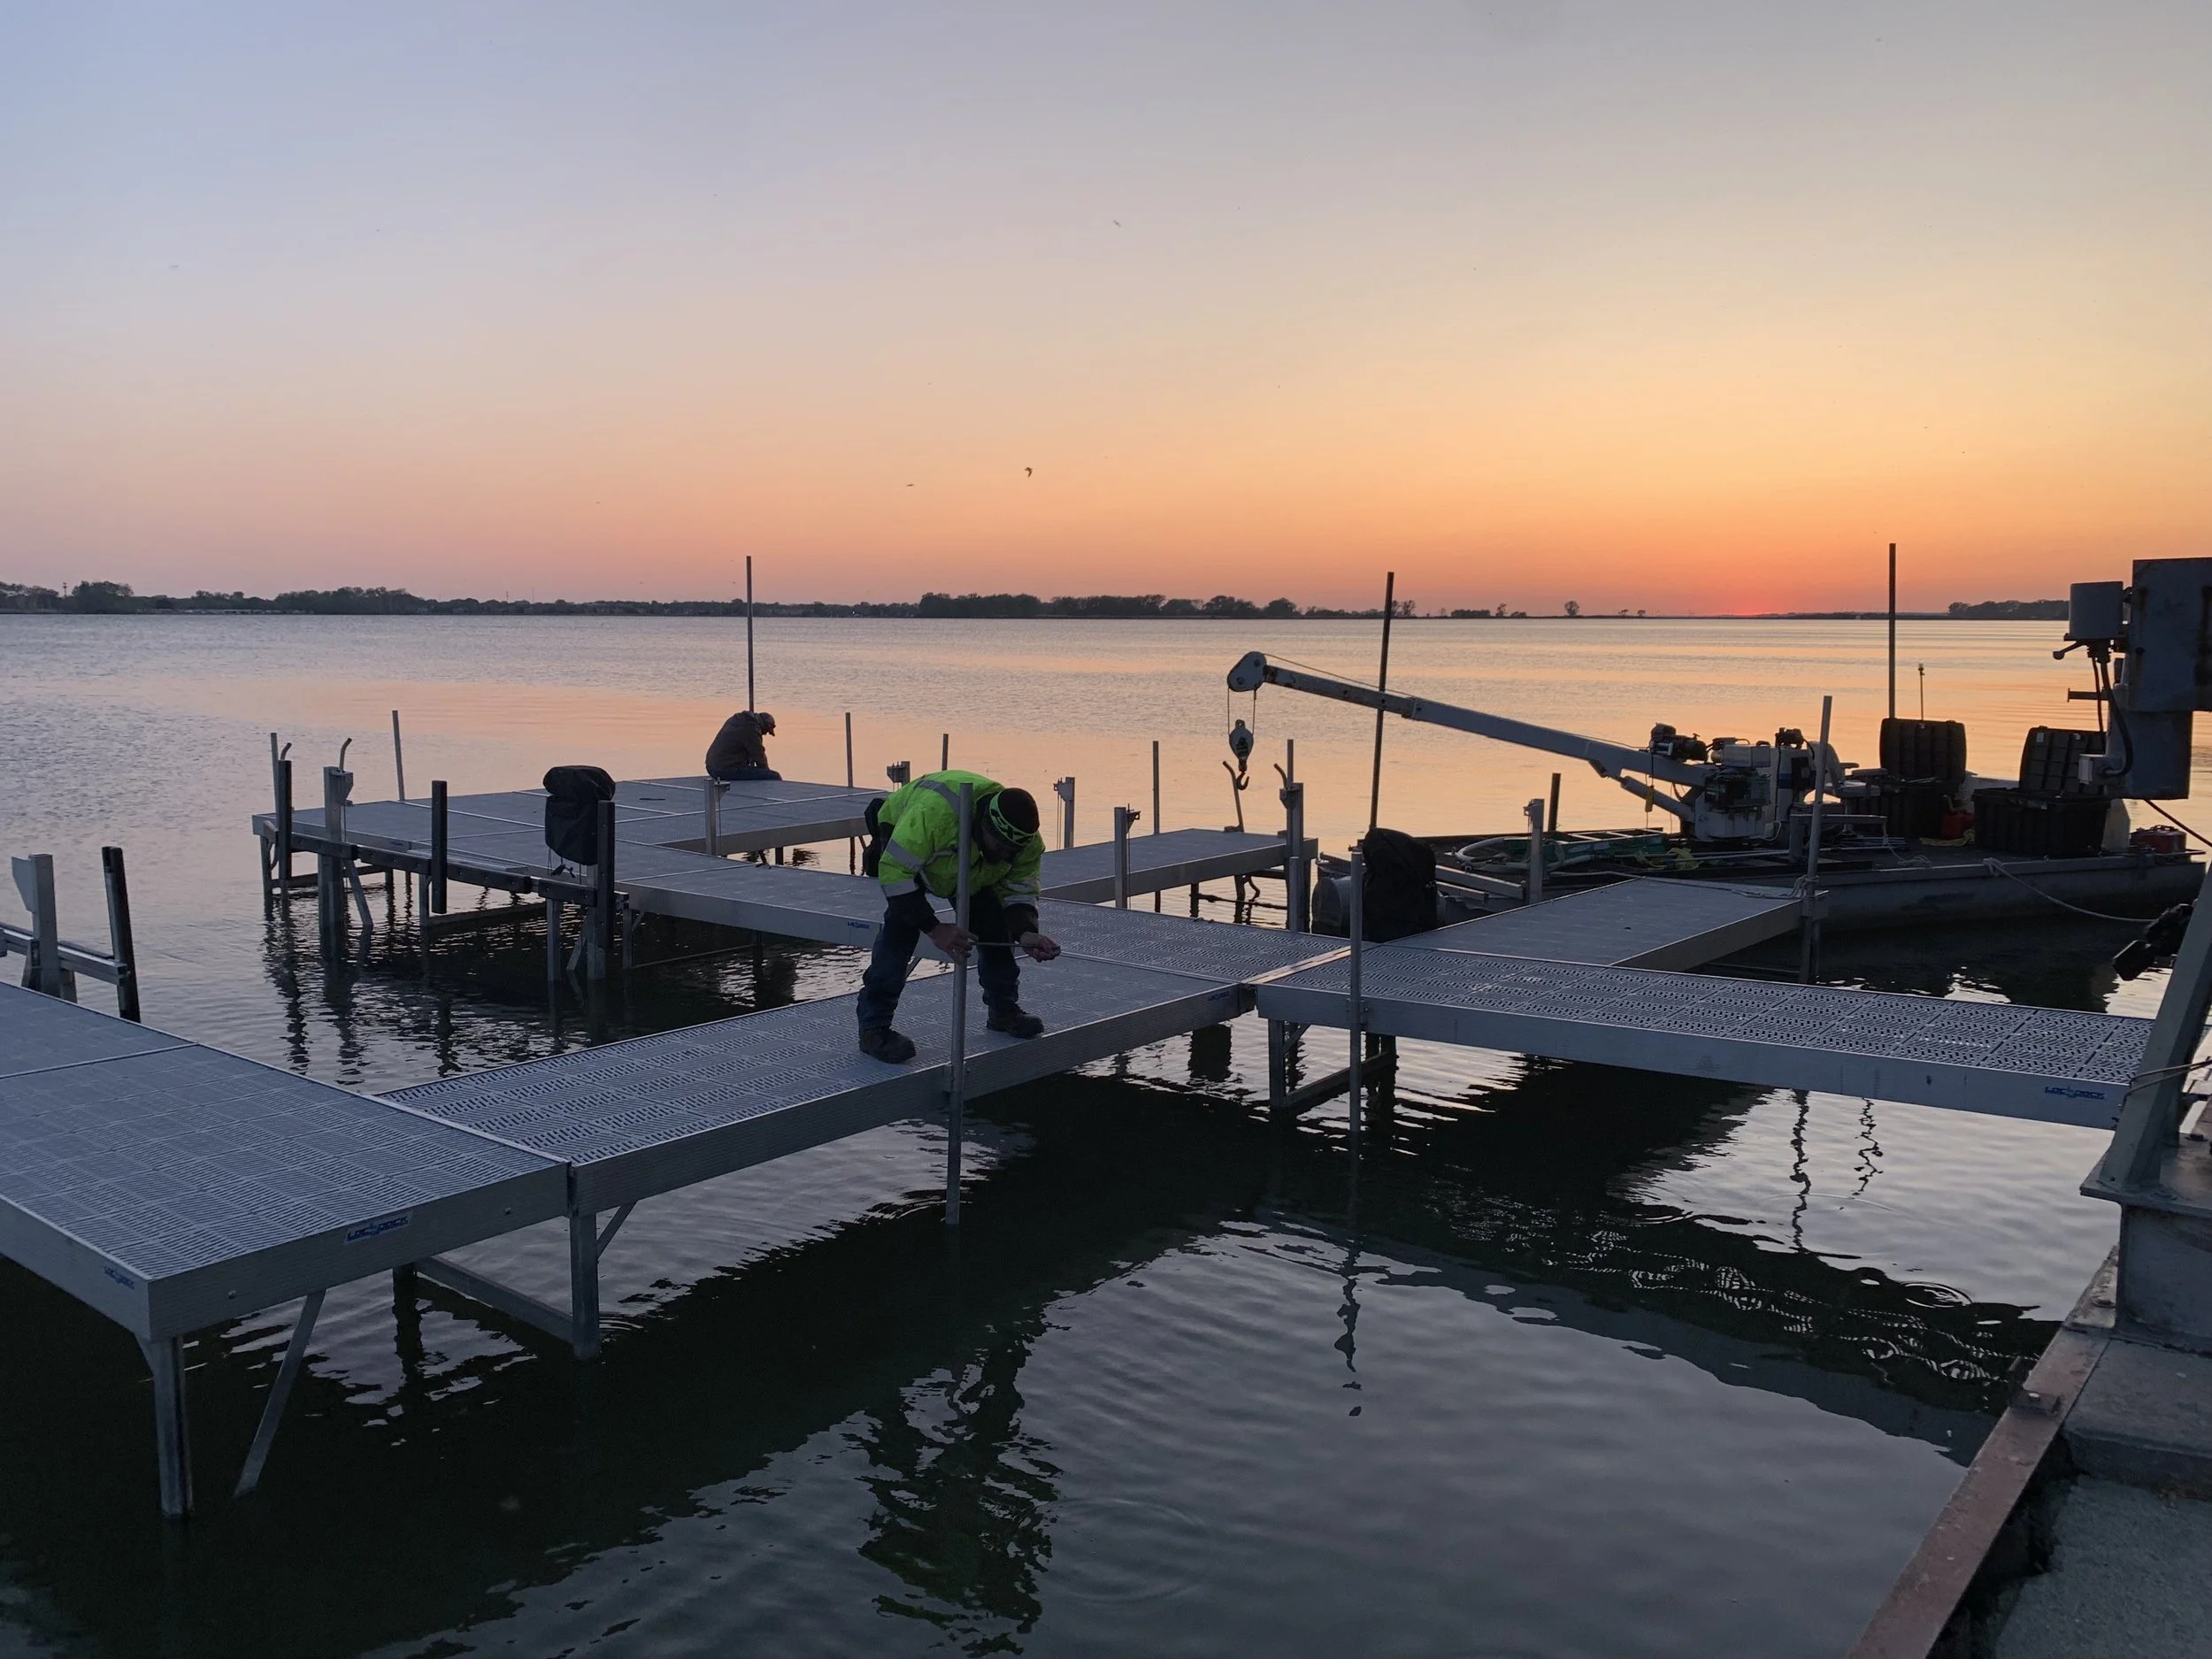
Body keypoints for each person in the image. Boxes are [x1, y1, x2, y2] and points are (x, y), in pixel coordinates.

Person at [856, 769, 1060, 1063]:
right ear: (984, 828)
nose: (1005, 856)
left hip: (967, 865)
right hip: (905, 831)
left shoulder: (1024, 841)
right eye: (1000, 848)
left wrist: (1025, 932)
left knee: (993, 924)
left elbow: (1019, 889)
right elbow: (894, 874)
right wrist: (934, 928)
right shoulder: (932, 817)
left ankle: (1003, 1011)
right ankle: (874, 1028)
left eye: (1011, 852)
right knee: (899, 934)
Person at [706, 709, 780, 780]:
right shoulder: (751, 728)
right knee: (774, 776)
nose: (764, 734)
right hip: (725, 770)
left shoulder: (736, 720)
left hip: (712, 768)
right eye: (766, 731)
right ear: (765, 725)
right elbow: (759, 756)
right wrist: (766, 772)